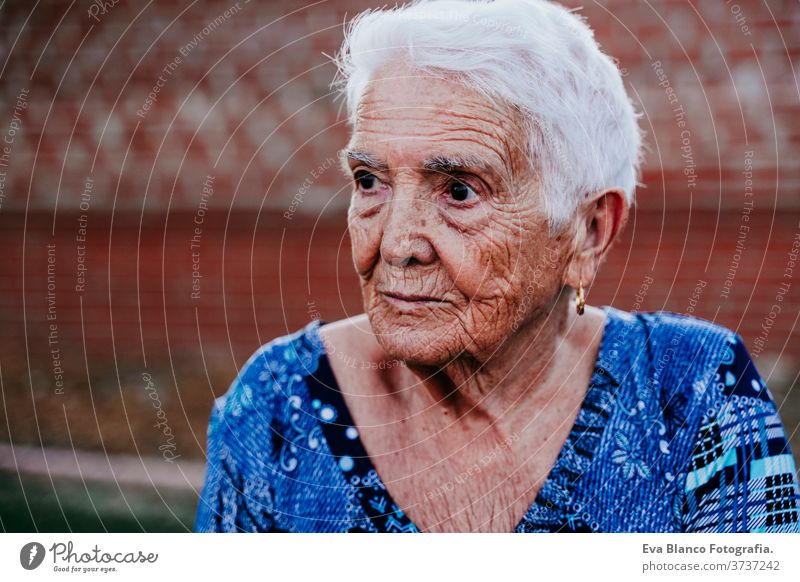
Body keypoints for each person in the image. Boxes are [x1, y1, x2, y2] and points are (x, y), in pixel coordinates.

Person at [195, 0, 799, 532]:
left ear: (588, 233)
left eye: (458, 190)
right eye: (369, 180)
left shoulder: (691, 393)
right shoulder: (279, 406)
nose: (397, 244)